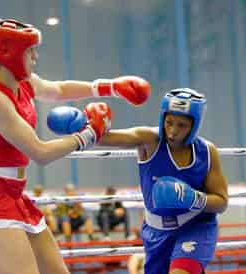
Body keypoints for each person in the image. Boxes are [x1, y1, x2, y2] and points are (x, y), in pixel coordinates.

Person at [0, 18, 150, 274]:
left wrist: (110, 87)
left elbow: (58, 90)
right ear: (8, 54)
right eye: (30, 50)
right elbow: (40, 152)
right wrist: (90, 134)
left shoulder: (23, 83)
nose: (35, 56)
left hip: (14, 193)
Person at [47, 88, 228, 274]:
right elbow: (108, 139)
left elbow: (221, 201)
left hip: (195, 225)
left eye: (181, 125)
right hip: (156, 231)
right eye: (169, 122)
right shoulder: (149, 140)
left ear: (194, 125)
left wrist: (193, 199)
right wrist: (83, 128)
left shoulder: (206, 152)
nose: (172, 131)